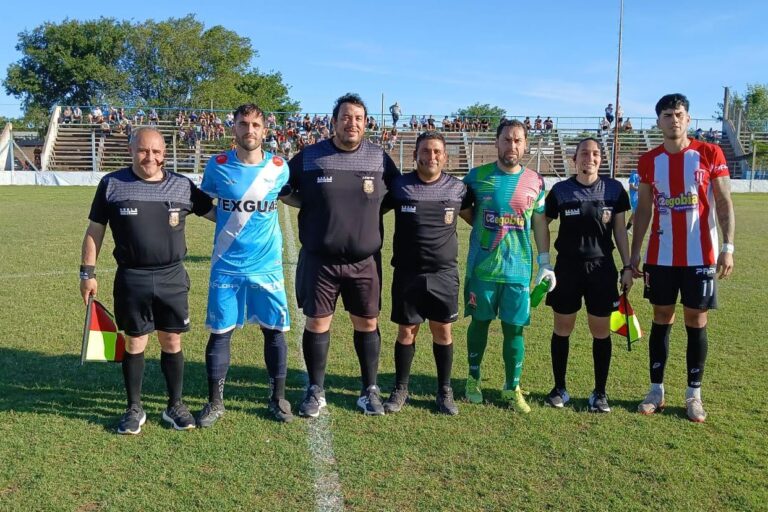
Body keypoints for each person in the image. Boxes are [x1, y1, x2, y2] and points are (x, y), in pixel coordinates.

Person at [79, 127, 214, 435]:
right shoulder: (112, 184)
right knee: (135, 340)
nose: (149, 157)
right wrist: (87, 272)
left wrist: (253, 209)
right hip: (132, 277)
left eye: (156, 152)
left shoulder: (182, 186)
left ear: (164, 154)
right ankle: (134, 408)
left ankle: (174, 405)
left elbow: (218, 215)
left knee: (172, 340)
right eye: (143, 150)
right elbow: (94, 230)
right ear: (131, 151)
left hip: (172, 277)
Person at [286, 93, 400, 417]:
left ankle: (369, 389)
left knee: (366, 322)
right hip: (321, 260)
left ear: (366, 124)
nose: (352, 123)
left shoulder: (379, 159)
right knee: (318, 322)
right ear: (333, 121)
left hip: (364, 262)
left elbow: (395, 194)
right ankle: (315, 389)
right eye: (346, 117)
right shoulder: (309, 157)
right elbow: (282, 188)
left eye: (358, 118)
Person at [630, 93, 735, 423]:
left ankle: (694, 395)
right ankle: (656, 390)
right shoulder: (649, 161)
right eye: (666, 115)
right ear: (658, 122)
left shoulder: (709, 153)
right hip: (661, 256)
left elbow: (724, 202)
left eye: (678, 114)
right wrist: (635, 254)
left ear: (688, 119)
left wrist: (727, 247)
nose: (673, 119)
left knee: (696, 320)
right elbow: (644, 208)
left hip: (701, 255)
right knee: (661, 317)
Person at [196, 104, 294, 427]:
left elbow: (293, 197)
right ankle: (215, 402)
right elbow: (202, 204)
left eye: (255, 125)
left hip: (268, 267)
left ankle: (277, 398)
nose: (249, 130)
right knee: (220, 333)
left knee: (274, 332)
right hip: (227, 264)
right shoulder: (218, 166)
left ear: (265, 130)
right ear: (233, 129)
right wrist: (225, 223)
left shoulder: (280, 168)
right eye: (243, 124)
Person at [460, 119, 554, 413]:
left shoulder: (536, 182)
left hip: (518, 272)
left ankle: (511, 387)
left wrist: (545, 263)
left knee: (515, 330)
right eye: (506, 140)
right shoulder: (476, 177)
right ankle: (472, 379)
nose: (512, 146)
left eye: (517, 140)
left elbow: (539, 223)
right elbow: (465, 210)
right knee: (480, 324)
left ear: (525, 145)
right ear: (496, 142)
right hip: (483, 269)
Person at [382, 131, 473, 416]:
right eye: (425, 151)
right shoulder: (399, 186)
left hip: (444, 273)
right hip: (408, 273)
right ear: (415, 155)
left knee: (443, 331)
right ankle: (400, 388)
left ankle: (444, 391)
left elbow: (475, 219)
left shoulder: (458, 189)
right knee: (407, 331)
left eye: (436, 152)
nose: (431, 156)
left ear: (445, 157)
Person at [543, 138, 633, 412]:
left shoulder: (614, 190)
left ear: (600, 159)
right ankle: (559, 388)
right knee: (562, 329)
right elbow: (541, 223)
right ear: (575, 159)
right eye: (584, 153)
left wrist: (627, 266)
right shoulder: (560, 191)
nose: (589, 158)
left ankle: (600, 393)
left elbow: (619, 231)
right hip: (567, 269)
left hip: (601, 270)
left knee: (600, 332)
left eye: (595, 154)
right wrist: (544, 260)